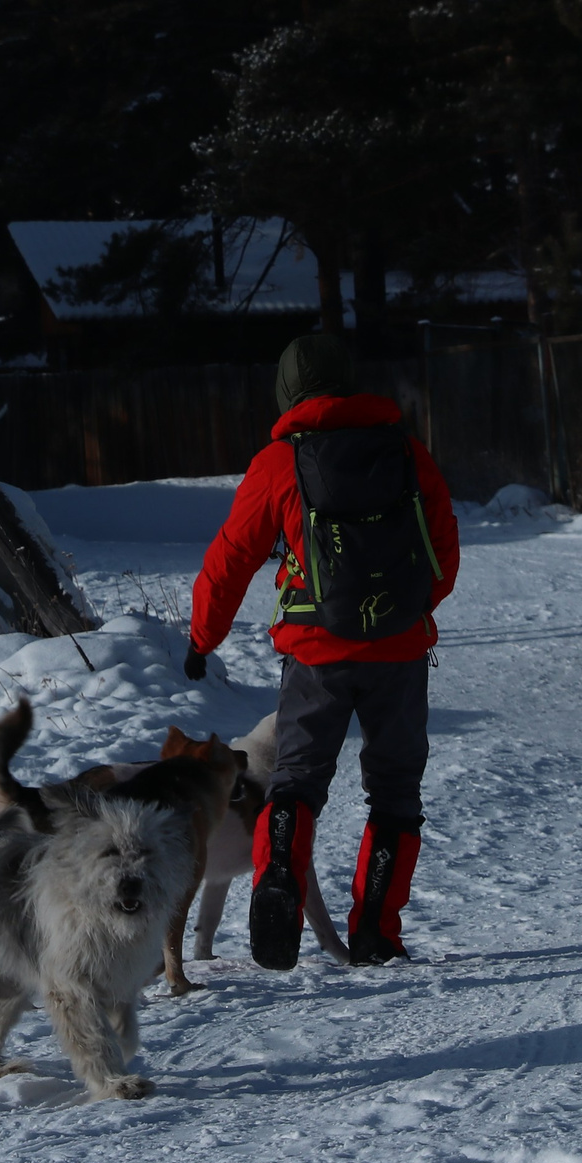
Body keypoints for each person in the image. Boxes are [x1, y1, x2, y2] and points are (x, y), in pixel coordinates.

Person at [181, 330, 459, 968]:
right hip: (400, 654)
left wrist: (202, 639)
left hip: (316, 655)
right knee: (395, 792)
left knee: (296, 781)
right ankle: (376, 933)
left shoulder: (281, 462)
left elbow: (229, 561)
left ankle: (277, 876)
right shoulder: (407, 452)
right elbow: (443, 551)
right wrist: (405, 612)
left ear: (287, 393)